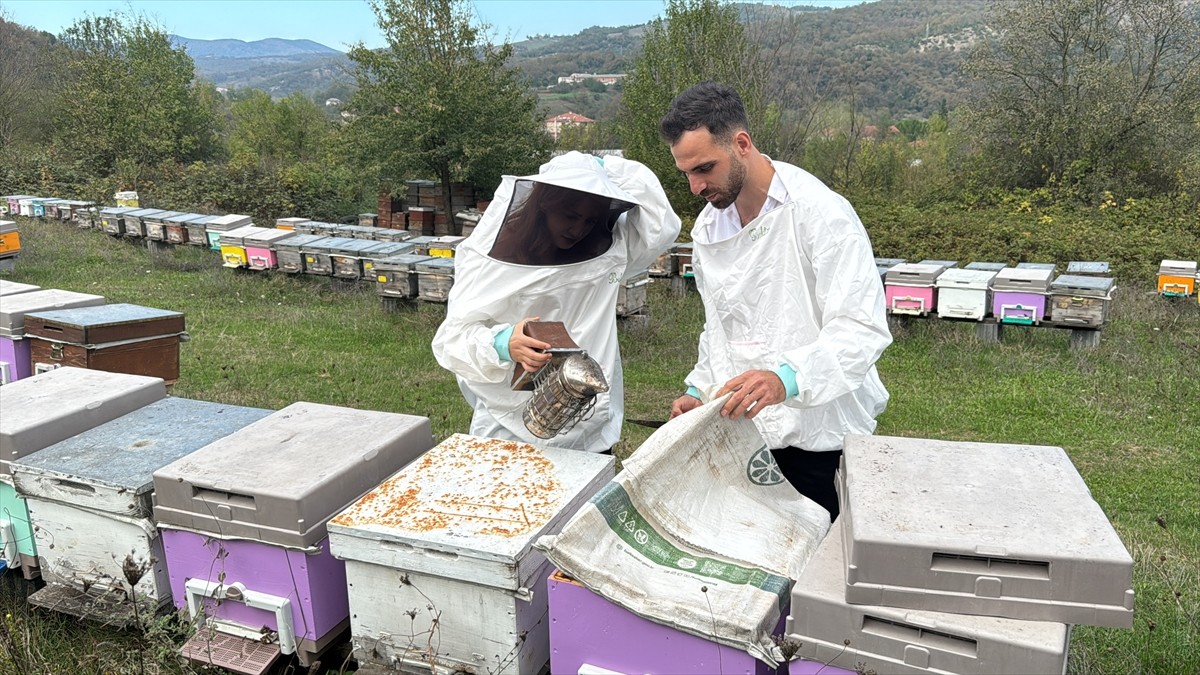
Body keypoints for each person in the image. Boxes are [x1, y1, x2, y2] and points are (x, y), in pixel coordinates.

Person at [660, 81, 892, 519]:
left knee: (816, 574)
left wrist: (785, 378)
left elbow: (860, 328)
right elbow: (721, 328)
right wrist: (698, 389)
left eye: (705, 168)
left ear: (742, 144)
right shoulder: (710, 229)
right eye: (686, 173)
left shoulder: (821, 213)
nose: (695, 186)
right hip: (746, 434)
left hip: (821, 438)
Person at [432, 151, 681, 453]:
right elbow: (451, 339)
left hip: (588, 422)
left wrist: (603, 165)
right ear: (544, 206)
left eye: (590, 220)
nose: (578, 229)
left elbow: (662, 223)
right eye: (571, 216)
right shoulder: (493, 258)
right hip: (508, 429)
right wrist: (502, 342)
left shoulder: (610, 250)